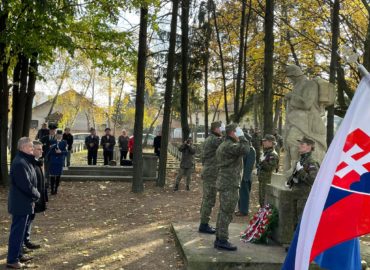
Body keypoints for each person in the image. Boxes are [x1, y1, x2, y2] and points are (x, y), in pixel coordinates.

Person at [284, 64, 326, 175]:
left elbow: (307, 103)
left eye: (290, 77)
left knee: (292, 140)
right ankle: (295, 166)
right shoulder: (297, 86)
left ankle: (296, 166)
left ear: (295, 75)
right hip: (298, 120)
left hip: (307, 120)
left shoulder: (310, 84)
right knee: (291, 142)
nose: (290, 80)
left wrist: (292, 96)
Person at [214, 124, 250, 251]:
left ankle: (219, 238)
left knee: (223, 211)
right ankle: (222, 240)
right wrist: (242, 136)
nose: (239, 133)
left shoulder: (225, 144)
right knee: (227, 212)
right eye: (237, 131)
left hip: (226, 182)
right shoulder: (229, 146)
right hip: (229, 183)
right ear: (232, 133)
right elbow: (246, 149)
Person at [7, 137, 40, 269]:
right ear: (23, 148)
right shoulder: (20, 163)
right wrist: (37, 194)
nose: (33, 150)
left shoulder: (25, 160)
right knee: (17, 232)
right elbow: (25, 185)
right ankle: (12, 260)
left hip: (24, 202)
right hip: (20, 203)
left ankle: (18, 254)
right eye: (31, 147)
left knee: (21, 231)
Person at [287, 136, 319, 225]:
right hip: (296, 195)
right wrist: (290, 181)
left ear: (309, 147)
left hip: (304, 197)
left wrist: (301, 170)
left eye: (302, 144)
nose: (299, 146)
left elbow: (313, 180)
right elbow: (297, 176)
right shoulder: (301, 160)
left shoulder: (312, 162)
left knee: (302, 223)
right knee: (295, 222)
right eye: (299, 144)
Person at [199, 121, 223, 234]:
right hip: (211, 173)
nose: (222, 130)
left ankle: (204, 223)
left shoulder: (210, 138)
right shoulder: (214, 139)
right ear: (216, 129)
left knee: (207, 199)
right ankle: (203, 224)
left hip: (209, 172)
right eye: (220, 128)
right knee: (209, 199)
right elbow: (225, 142)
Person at [23, 141, 48, 251]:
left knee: (31, 219)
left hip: (37, 196)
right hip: (31, 197)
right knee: (26, 220)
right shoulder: (30, 163)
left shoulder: (38, 162)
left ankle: (26, 240)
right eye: (39, 149)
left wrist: (44, 199)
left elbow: (42, 182)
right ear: (32, 150)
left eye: (41, 149)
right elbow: (30, 183)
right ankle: (22, 244)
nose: (41, 151)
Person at [257, 134, 279, 207]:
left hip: (268, 180)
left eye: (265, 141)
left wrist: (263, 161)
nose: (263, 142)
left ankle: (264, 217)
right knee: (261, 200)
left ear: (271, 142)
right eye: (263, 141)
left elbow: (270, 168)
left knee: (265, 201)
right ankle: (261, 216)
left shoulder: (272, 154)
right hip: (263, 180)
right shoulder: (266, 153)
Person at [235, 144, 256, 216]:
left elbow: (249, 165)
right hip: (241, 175)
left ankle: (244, 211)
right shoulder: (243, 148)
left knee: (244, 194)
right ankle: (241, 209)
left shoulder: (250, 149)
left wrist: (245, 177)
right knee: (241, 193)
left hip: (245, 176)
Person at [47, 130, 67, 195]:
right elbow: (49, 151)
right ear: (56, 135)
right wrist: (54, 151)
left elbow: (66, 152)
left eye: (60, 134)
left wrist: (61, 152)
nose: (59, 136)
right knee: (52, 176)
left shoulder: (64, 142)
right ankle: (52, 189)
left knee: (58, 176)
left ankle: (56, 189)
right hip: (53, 161)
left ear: (62, 135)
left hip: (59, 161)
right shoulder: (52, 141)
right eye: (58, 134)